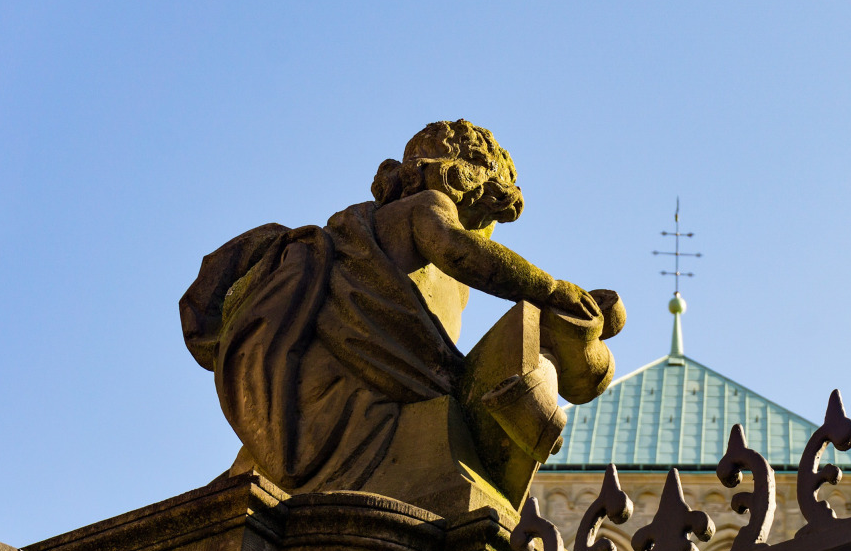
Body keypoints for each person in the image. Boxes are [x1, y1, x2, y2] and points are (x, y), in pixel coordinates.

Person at [180, 120, 623, 498]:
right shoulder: (428, 209)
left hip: (352, 389)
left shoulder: (405, 252)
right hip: (344, 397)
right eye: (489, 219)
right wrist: (549, 289)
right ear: (474, 190)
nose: (489, 234)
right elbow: (459, 251)